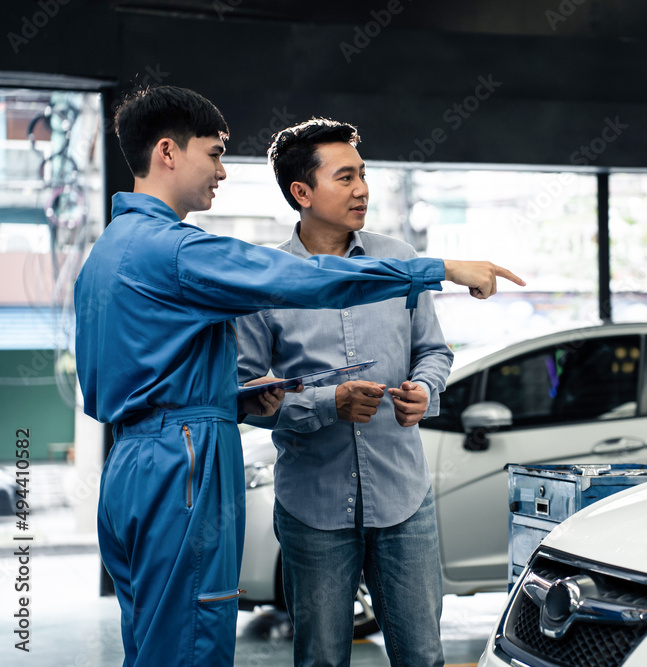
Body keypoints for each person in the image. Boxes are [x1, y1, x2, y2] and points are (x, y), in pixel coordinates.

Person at [73, 86, 523, 667]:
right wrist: (440, 268)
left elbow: (146, 379)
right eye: (213, 154)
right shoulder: (176, 250)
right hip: (183, 461)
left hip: (136, 460)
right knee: (192, 638)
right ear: (167, 152)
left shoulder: (108, 252)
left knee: (157, 639)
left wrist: (246, 397)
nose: (221, 172)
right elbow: (311, 279)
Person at [236, 118, 455, 667]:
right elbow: (245, 397)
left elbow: (434, 351)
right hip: (313, 505)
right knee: (322, 660)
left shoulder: (399, 259)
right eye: (344, 177)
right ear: (301, 193)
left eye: (363, 174)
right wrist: (326, 403)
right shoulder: (266, 279)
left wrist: (425, 390)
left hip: (404, 497)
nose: (362, 189)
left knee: (423, 656)